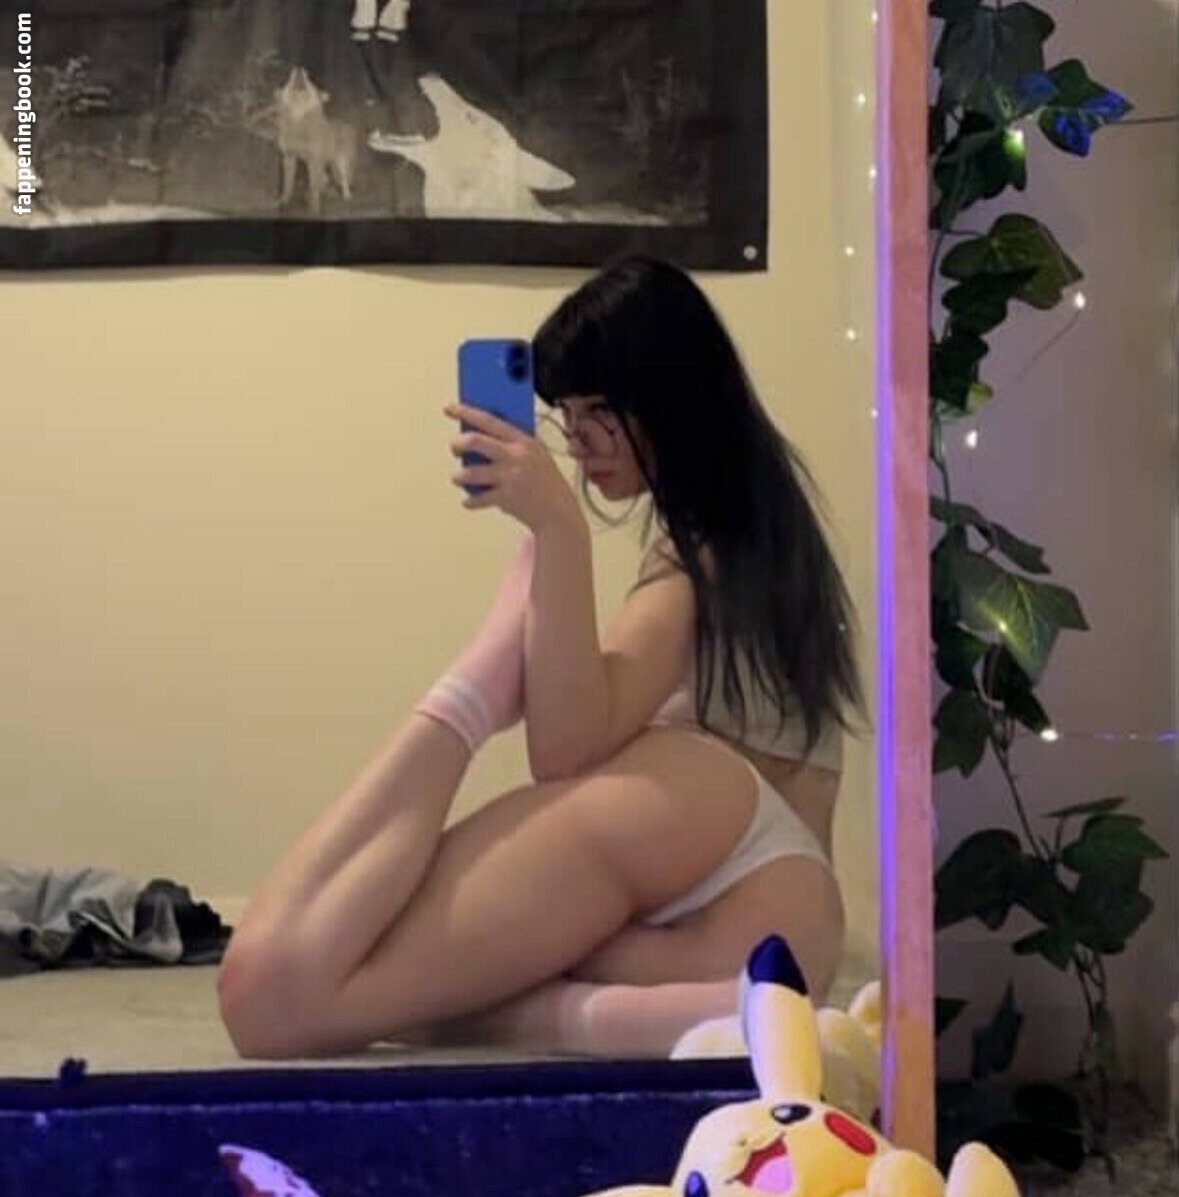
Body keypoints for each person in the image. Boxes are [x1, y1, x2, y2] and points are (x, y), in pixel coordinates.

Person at [217, 255, 865, 1060]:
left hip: (730, 870)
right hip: (773, 921)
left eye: (599, 410)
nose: (576, 440)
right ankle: (604, 1014)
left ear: (668, 395)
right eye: (566, 412)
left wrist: (557, 531)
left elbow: (566, 744)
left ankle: (473, 689)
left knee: (279, 991)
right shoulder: (753, 532)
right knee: (404, 997)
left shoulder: (705, 556)